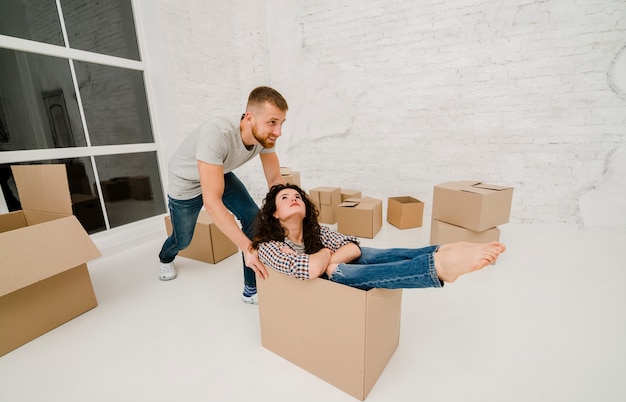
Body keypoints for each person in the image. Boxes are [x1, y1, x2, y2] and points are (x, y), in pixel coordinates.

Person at [158, 86, 288, 305]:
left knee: (254, 217)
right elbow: (212, 203)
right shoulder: (217, 133)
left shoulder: (264, 138)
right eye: (272, 122)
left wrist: (291, 216)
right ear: (249, 118)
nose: (278, 132)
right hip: (186, 182)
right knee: (183, 239)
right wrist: (248, 248)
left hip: (219, 172)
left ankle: (250, 289)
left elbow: (275, 181)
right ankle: (164, 257)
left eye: (281, 123)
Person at [252, 184, 506, 289]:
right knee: (344, 272)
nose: (293, 199)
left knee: (371, 254)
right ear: (275, 214)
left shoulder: (315, 231)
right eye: (285, 198)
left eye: (297, 196)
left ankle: (435, 252)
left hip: (329, 269)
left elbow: (354, 248)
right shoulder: (269, 247)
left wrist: (326, 261)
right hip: (318, 292)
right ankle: (438, 268)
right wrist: (328, 258)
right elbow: (308, 271)